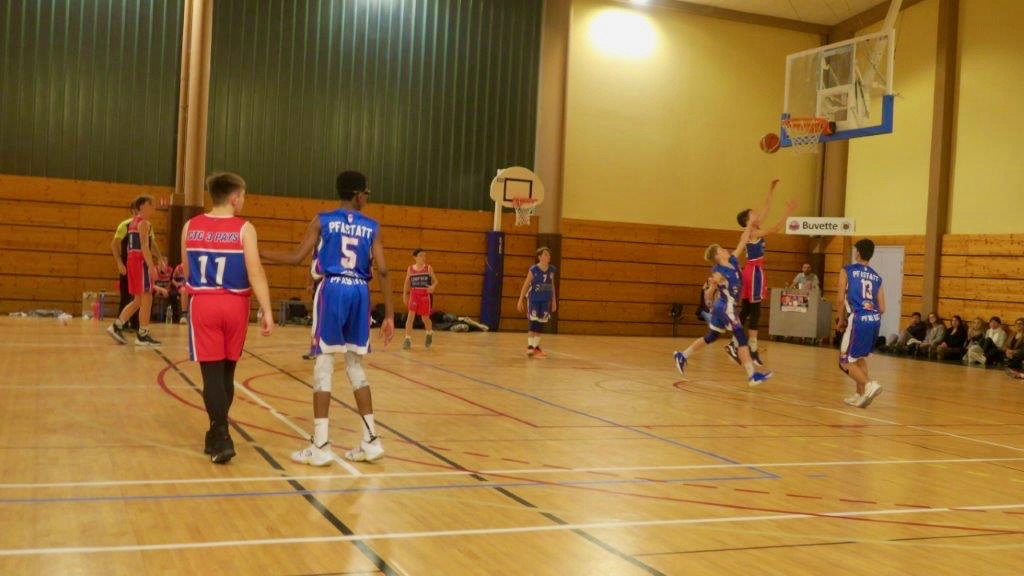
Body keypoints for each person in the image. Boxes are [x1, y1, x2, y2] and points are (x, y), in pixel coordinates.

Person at [262, 170, 395, 465]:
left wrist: (257, 253)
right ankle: (371, 440)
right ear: (357, 195)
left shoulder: (322, 221)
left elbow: (296, 257)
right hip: (360, 291)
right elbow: (384, 270)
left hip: (333, 289)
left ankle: (321, 445)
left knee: (324, 365)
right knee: (355, 365)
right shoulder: (372, 226)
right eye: (366, 193)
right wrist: (389, 314)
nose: (367, 198)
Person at [182, 172, 274, 463]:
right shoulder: (244, 229)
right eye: (243, 196)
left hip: (204, 303)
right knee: (226, 375)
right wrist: (267, 309)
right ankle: (217, 433)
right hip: (235, 305)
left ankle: (220, 433)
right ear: (234, 198)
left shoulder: (190, 226)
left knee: (211, 376)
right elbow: (255, 271)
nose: (244, 200)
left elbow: (186, 270)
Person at [673, 222, 773, 387]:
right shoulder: (718, 271)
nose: (724, 249)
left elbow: (742, 241)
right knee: (741, 339)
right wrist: (711, 290)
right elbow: (710, 290)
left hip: (723, 307)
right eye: (721, 249)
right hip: (726, 308)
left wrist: (750, 224)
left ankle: (682, 355)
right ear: (718, 256)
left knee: (711, 337)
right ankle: (752, 376)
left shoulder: (732, 260)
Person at [727, 179, 798, 367]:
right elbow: (775, 229)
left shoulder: (754, 229)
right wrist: (789, 212)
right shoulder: (752, 232)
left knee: (747, 310)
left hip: (752, 271)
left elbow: (766, 207)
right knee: (755, 311)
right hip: (754, 271)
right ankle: (752, 349)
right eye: (753, 214)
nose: (758, 214)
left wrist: (771, 189)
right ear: (747, 220)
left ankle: (735, 343)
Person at [107, 195, 161, 346]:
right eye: (151, 205)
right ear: (142, 206)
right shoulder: (144, 223)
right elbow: (144, 246)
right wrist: (151, 266)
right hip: (140, 262)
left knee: (138, 300)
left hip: (132, 262)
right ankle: (143, 334)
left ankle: (117, 325)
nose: (154, 208)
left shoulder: (132, 223)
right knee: (147, 297)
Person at [837, 238, 884, 408]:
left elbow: (840, 299)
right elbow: (882, 308)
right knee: (859, 358)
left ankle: (869, 384)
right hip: (874, 320)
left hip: (857, 319)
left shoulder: (847, 270)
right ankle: (860, 394)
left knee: (844, 361)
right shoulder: (877, 277)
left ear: (857, 252)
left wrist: (841, 319)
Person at [517, 247, 557, 358]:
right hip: (534, 299)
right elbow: (526, 285)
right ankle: (530, 346)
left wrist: (554, 301)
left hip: (545, 300)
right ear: (540, 257)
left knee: (540, 323)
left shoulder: (551, 270)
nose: (548, 256)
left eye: (549, 255)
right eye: (545, 254)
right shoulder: (533, 270)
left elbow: (552, 286)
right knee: (533, 321)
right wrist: (520, 299)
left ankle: (536, 347)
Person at [402, 249, 438, 350]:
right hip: (414, 295)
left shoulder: (428, 268)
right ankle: (407, 339)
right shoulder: (410, 269)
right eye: (421, 255)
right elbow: (406, 283)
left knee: (425, 318)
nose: (423, 258)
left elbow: (436, 281)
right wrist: (404, 295)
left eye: (424, 256)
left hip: (425, 296)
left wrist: (432, 287)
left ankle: (429, 333)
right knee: (410, 317)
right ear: (415, 257)